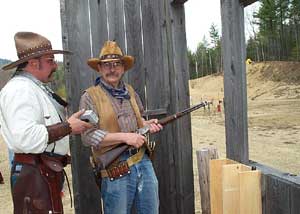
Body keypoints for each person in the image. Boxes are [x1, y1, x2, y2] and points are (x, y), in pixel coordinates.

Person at [0, 32, 92, 214]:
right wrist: (67, 127)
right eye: (50, 60)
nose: (55, 65)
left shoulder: (31, 87)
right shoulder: (20, 90)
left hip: (42, 173)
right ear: (34, 63)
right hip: (35, 175)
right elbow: (25, 138)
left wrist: (68, 127)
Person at [80, 40, 163, 214]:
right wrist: (125, 137)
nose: (112, 69)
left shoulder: (130, 91)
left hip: (143, 161)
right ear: (100, 69)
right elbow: (88, 136)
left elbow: (138, 121)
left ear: (123, 68)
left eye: (116, 64)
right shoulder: (90, 97)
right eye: (107, 65)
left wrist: (148, 125)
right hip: (115, 168)